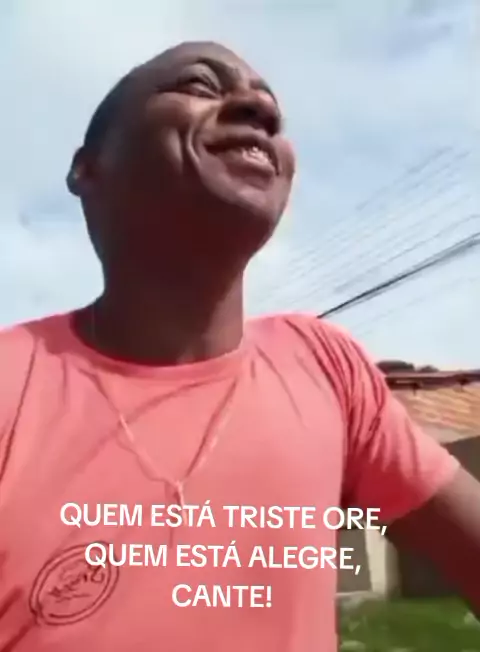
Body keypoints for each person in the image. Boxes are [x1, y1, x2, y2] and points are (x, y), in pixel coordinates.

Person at [0, 41, 478, 652]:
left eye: (270, 106)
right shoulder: (12, 379)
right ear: (87, 168)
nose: (261, 110)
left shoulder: (325, 366)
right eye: (200, 85)